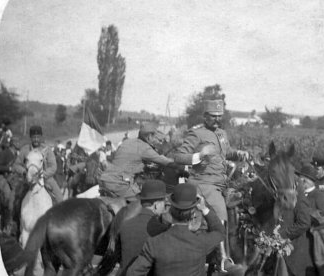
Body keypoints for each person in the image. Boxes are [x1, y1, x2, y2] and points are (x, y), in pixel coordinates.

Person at [172, 99, 249, 270]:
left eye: (219, 116)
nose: (217, 120)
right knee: (220, 210)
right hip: (202, 183)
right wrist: (200, 155)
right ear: (205, 116)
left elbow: (226, 152)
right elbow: (178, 156)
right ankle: (223, 260)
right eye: (213, 116)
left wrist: (238, 153)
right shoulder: (196, 133)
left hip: (221, 182)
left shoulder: (222, 134)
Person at [126, 184, 225, 276]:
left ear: (171, 211)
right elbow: (220, 231)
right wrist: (204, 208)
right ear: (192, 213)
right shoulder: (202, 242)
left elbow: (133, 273)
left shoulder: (154, 243)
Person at [99, 122, 174, 201]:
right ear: (149, 137)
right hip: (119, 183)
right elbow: (165, 162)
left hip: (105, 179)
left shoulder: (127, 142)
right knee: (144, 201)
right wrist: (183, 164)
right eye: (159, 140)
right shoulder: (144, 148)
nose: (160, 143)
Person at [117, 179, 169, 275]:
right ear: (156, 205)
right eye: (164, 203)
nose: (164, 207)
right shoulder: (162, 229)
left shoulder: (125, 225)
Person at [297, 164, 324, 276]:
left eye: (299, 179)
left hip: (312, 241)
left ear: (304, 180)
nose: (298, 181)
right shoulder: (298, 195)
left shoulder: (318, 195)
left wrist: (314, 228)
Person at [12, 125, 63, 203]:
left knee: (59, 198)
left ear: (41, 137)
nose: (36, 140)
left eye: (38, 137)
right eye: (34, 137)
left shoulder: (47, 150)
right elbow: (16, 165)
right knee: (15, 199)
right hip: (28, 179)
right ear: (31, 138)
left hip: (46, 179)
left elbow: (53, 166)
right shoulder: (25, 149)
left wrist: (43, 174)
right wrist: (25, 172)